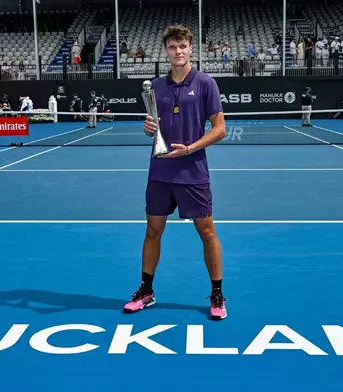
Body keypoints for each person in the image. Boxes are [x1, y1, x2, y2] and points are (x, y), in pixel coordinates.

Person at [122, 24, 228, 320]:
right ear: (166, 51)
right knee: (153, 231)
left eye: (182, 46)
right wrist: (148, 128)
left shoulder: (206, 83)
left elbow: (220, 129)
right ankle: (146, 291)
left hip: (192, 171)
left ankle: (217, 295)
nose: (178, 52)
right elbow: (153, 125)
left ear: (191, 48)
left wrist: (190, 148)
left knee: (207, 233)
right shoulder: (155, 86)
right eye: (172, 47)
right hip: (159, 171)